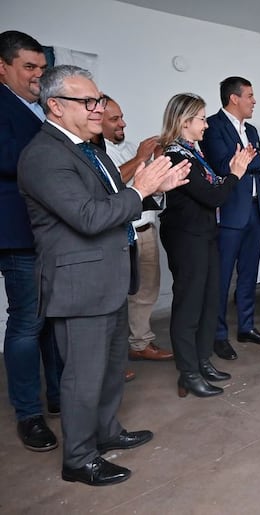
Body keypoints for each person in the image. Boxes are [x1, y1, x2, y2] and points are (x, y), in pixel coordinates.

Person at [18, 65, 190, 486]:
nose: (98, 108)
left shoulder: (87, 150)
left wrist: (157, 190)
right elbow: (89, 217)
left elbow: (119, 206)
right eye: (88, 101)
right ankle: (78, 458)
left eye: (97, 100)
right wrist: (140, 190)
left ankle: (107, 432)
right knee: (82, 375)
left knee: (111, 367)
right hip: (80, 286)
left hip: (110, 276)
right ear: (55, 106)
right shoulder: (43, 155)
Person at [159, 93, 254, 398]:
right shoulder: (174, 155)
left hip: (205, 235)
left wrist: (228, 176)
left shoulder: (193, 153)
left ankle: (202, 361)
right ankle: (188, 373)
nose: (205, 124)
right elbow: (213, 195)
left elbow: (212, 188)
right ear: (185, 122)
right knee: (189, 305)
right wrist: (235, 173)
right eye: (201, 118)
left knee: (210, 300)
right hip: (187, 238)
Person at [0, 29, 62, 452]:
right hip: (20, 233)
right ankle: (29, 413)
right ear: (2, 67)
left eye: (42, 68)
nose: (38, 75)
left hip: (53, 233)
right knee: (26, 325)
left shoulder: (38, 110)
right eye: (28, 67)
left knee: (52, 322)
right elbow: (15, 161)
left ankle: (59, 396)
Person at [199, 76, 260, 360]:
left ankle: (246, 327)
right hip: (230, 213)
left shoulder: (253, 130)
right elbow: (224, 166)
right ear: (234, 98)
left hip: (256, 210)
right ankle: (218, 335)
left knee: (249, 274)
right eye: (250, 95)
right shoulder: (212, 127)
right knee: (222, 278)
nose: (254, 101)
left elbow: (259, 170)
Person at [99, 96, 174, 364]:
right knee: (118, 296)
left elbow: (151, 185)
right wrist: (141, 157)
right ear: (98, 120)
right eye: (115, 119)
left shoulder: (130, 146)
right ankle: (113, 357)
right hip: (120, 234)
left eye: (122, 117)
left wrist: (157, 160)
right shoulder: (94, 151)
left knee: (147, 291)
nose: (123, 123)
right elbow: (113, 183)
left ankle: (140, 342)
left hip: (146, 227)